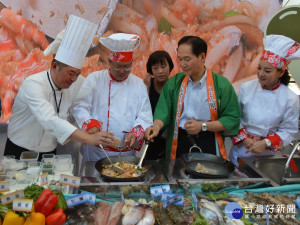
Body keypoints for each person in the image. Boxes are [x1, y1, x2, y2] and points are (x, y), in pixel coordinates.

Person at [4, 15, 115, 160]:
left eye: (77, 74)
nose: (74, 79)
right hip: (19, 150)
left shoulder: (77, 82)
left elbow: (85, 106)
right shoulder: (34, 84)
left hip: (48, 153)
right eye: (70, 73)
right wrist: (88, 138)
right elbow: (49, 119)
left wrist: (91, 126)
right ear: (55, 66)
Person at [145, 36, 240, 160]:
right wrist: (156, 127)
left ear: (202, 57)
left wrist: (203, 126)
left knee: (207, 176)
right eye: (180, 59)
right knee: (178, 175)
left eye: (187, 59)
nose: (183, 64)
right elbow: (163, 111)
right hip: (180, 140)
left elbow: (231, 118)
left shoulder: (221, 84)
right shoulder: (174, 83)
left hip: (208, 139)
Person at [72, 33, 153, 161]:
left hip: (126, 153)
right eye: (118, 66)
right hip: (97, 150)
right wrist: (90, 125)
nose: (122, 71)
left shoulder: (138, 84)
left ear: (132, 63)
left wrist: (135, 133)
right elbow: (80, 106)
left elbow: (145, 115)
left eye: (127, 66)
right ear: (109, 61)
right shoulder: (95, 79)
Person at [230, 34, 300, 166]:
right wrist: (244, 138)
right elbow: (234, 116)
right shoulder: (246, 88)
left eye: (267, 71)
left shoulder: (291, 98)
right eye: (259, 68)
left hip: (267, 157)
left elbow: (289, 130)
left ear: (280, 73)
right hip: (240, 152)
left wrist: (265, 143)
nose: (261, 74)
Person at [143, 50, 174, 160]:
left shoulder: (175, 85)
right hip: (152, 135)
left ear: (170, 66)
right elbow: (143, 108)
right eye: (155, 68)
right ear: (150, 70)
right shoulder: (148, 85)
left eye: (163, 66)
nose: (160, 71)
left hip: (171, 135)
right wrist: (146, 87)